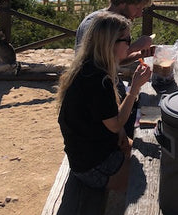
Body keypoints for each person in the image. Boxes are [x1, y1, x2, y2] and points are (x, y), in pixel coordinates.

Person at [57, 12, 152, 191]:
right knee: (152, 177)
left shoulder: (89, 65)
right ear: (111, 44)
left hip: (90, 150)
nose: (130, 45)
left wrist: (122, 132)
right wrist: (134, 89)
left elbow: (106, 113)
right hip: (93, 166)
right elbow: (115, 124)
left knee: (152, 153)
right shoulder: (97, 80)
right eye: (127, 40)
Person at [75, 0, 155, 61]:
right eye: (138, 8)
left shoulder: (117, 24)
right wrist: (133, 48)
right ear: (123, 2)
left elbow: (115, 61)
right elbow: (95, 62)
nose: (139, 14)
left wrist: (138, 54)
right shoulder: (95, 22)